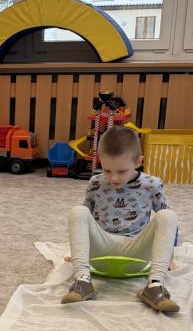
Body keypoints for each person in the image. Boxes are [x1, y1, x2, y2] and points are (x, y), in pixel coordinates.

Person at [61, 126, 180, 313]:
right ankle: (82, 280)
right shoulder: (95, 183)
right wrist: (76, 252)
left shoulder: (152, 184)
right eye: (107, 170)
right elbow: (84, 221)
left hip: (137, 249)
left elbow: (167, 224)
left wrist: (169, 256)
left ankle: (155, 285)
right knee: (78, 211)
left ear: (138, 162)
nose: (114, 178)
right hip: (101, 249)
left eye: (122, 171)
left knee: (168, 215)